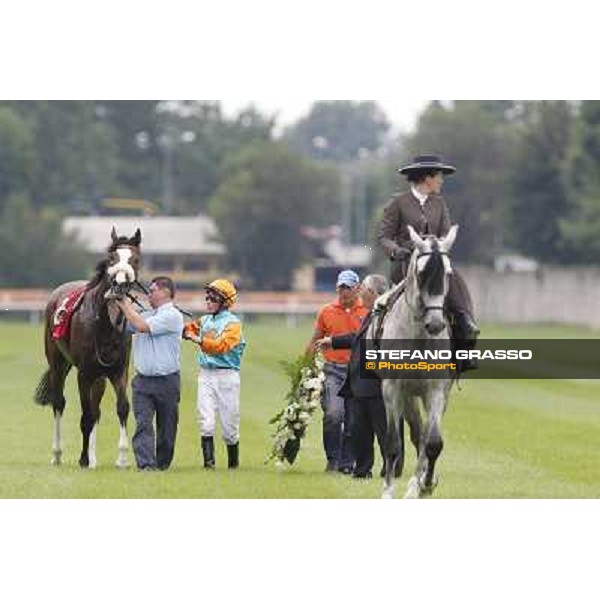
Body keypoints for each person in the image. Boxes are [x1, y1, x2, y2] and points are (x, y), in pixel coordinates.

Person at [377, 154, 479, 370]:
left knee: (454, 278)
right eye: (439, 176)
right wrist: (397, 251)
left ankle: (465, 326)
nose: (441, 181)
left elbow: (444, 233)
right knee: (379, 308)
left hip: (435, 262)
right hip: (406, 267)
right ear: (427, 178)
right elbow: (384, 237)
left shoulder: (439, 203)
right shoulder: (398, 203)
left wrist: (440, 249)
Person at [316, 274, 404, 479]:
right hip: (359, 383)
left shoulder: (387, 315)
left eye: (363, 287)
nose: (359, 291)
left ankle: (391, 467)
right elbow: (359, 337)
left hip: (377, 383)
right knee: (359, 430)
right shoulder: (373, 313)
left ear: (373, 293)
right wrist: (334, 342)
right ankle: (362, 469)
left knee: (383, 430)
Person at [116, 276, 184, 471]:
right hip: (143, 381)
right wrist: (117, 304)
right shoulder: (146, 314)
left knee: (167, 428)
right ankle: (146, 465)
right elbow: (125, 325)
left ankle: (162, 464)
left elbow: (141, 327)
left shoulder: (172, 316)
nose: (148, 293)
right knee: (143, 424)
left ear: (166, 292)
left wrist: (125, 304)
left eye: (152, 290)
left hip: (167, 381)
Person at [305, 269, 368, 474]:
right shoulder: (326, 311)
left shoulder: (367, 311)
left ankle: (346, 464)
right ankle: (333, 460)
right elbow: (315, 339)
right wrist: (304, 366)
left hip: (358, 372)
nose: (344, 292)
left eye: (348, 288)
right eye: (341, 288)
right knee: (333, 415)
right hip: (332, 371)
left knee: (353, 420)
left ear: (357, 289)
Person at [183, 279, 246, 470]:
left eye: (213, 298)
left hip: (227, 377)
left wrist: (197, 339)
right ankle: (208, 466)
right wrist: (185, 329)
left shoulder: (234, 324)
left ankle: (233, 465)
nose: (208, 301)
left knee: (229, 429)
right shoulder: (204, 320)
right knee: (206, 422)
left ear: (225, 302)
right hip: (206, 376)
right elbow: (188, 329)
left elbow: (221, 347)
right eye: (207, 297)